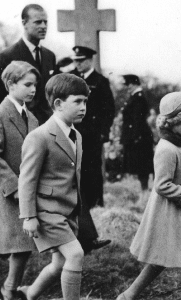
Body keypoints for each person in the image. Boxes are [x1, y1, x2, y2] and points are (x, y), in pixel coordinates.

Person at [116, 92, 181, 300]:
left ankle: (130, 295)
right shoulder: (166, 149)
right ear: (175, 120)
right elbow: (161, 185)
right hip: (171, 209)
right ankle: (129, 294)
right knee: (160, 258)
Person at [17, 73, 89, 300]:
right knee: (75, 255)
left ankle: (30, 293)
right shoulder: (39, 137)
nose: (83, 107)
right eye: (77, 101)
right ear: (58, 104)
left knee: (59, 263)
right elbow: (26, 179)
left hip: (67, 211)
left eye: (85, 101)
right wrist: (28, 216)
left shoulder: (76, 135)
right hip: (46, 212)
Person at [0, 61, 41, 300]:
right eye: (27, 84)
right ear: (10, 84)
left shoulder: (32, 118)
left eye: (35, 85)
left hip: (29, 188)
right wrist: (15, 188)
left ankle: (10, 287)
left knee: (25, 243)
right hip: (10, 191)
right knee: (19, 243)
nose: (33, 89)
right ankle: (9, 289)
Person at [70, 45, 114, 253]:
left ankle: (95, 210)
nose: (78, 64)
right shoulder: (70, 79)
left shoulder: (100, 81)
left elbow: (108, 109)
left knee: (92, 174)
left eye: (81, 60)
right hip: (73, 134)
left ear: (90, 60)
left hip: (92, 137)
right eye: (76, 60)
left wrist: (103, 132)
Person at [0, 4, 57, 125]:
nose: (43, 26)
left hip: (46, 129)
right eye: (38, 22)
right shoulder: (6, 57)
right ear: (24, 23)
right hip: (18, 128)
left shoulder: (50, 56)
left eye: (45, 22)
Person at [120, 75, 154, 198]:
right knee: (139, 165)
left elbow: (137, 120)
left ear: (134, 84)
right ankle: (143, 190)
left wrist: (134, 137)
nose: (127, 87)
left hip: (139, 137)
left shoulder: (138, 98)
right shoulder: (134, 97)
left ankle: (144, 191)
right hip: (135, 136)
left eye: (128, 85)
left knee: (142, 165)